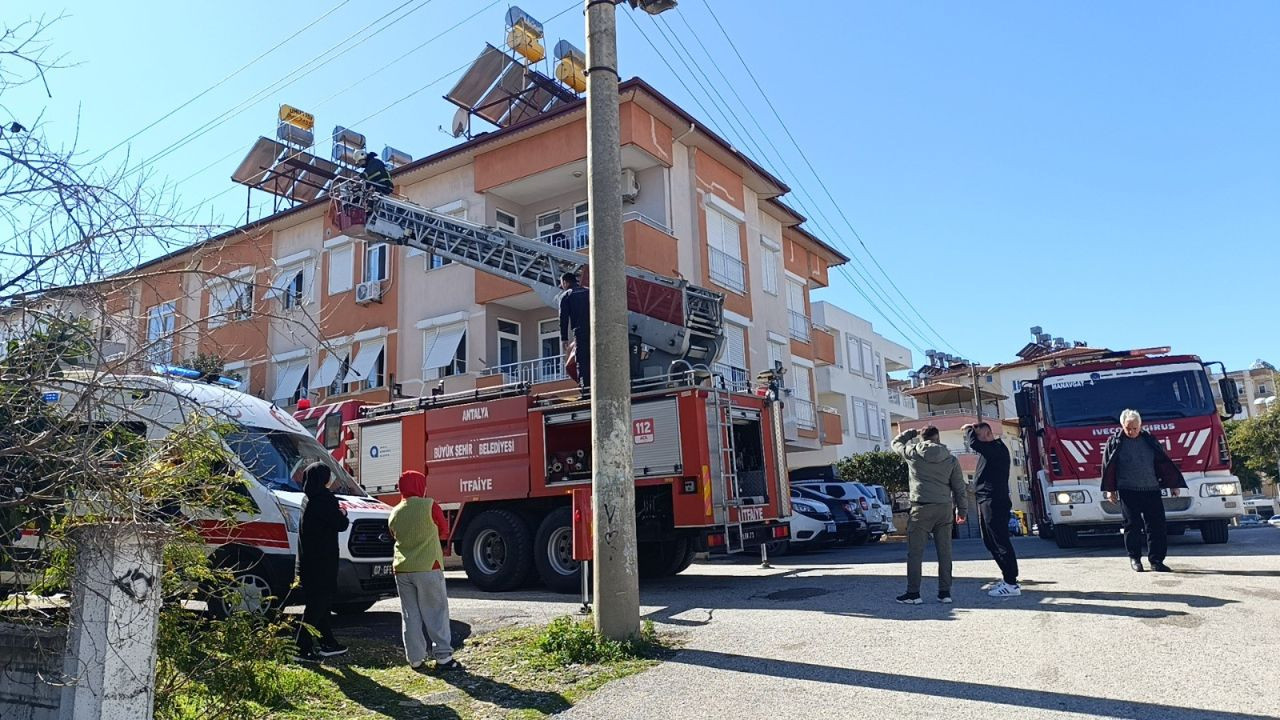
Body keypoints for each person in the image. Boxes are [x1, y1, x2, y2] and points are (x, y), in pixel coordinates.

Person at [389, 470, 462, 673]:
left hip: (402, 568)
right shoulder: (429, 505)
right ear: (420, 486)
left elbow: (393, 534)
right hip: (429, 566)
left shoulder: (395, 511)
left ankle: (415, 658)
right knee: (436, 611)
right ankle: (444, 657)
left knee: (410, 614)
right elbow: (444, 530)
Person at [1101, 409, 1186, 573]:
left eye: (1134, 428)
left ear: (1140, 426)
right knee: (1132, 525)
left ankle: (1156, 561)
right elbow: (1108, 467)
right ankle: (1135, 558)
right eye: (1128, 428)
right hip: (1128, 490)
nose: (1131, 431)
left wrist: (1173, 485)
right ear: (1122, 426)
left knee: (1157, 526)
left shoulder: (1149, 440)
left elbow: (1163, 463)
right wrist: (1110, 490)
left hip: (1151, 489)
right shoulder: (1114, 442)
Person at [892, 426, 967, 604]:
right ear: (938, 438)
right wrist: (962, 510)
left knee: (915, 553)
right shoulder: (950, 458)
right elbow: (959, 488)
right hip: (944, 509)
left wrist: (910, 433)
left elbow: (896, 443)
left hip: (921, 508)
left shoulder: (912, 453)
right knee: (945, 552)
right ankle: (945, 593)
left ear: (922, 438)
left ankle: (913, 594)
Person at [296, 462, 349, 660]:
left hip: (308, 561)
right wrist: (343, 513)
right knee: (319, 603)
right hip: (323, 561)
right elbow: (340, 523)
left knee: (319, 604)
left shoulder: (307, 500)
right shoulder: (325, 500)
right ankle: (301, 645)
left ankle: (328, 642)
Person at [964, 422, 1020, 597]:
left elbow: (973, 443)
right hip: (986, 499)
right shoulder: (990, 449)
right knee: (990, 542)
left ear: (987, 434)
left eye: (979, 436)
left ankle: (1012, 583)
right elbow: (976, 444)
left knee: (1000, 540)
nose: (977, 442)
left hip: (994, 500)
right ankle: (1007, 578)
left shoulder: (996, 449)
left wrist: (967, 429)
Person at [557, 271, 590, 398]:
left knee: (582, 361)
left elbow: (563, 319)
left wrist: (564, 338)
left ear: (565, 282)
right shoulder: (588, 292)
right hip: (596, 330)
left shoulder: (566, 295)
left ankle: (585, 390)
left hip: (580, 332)